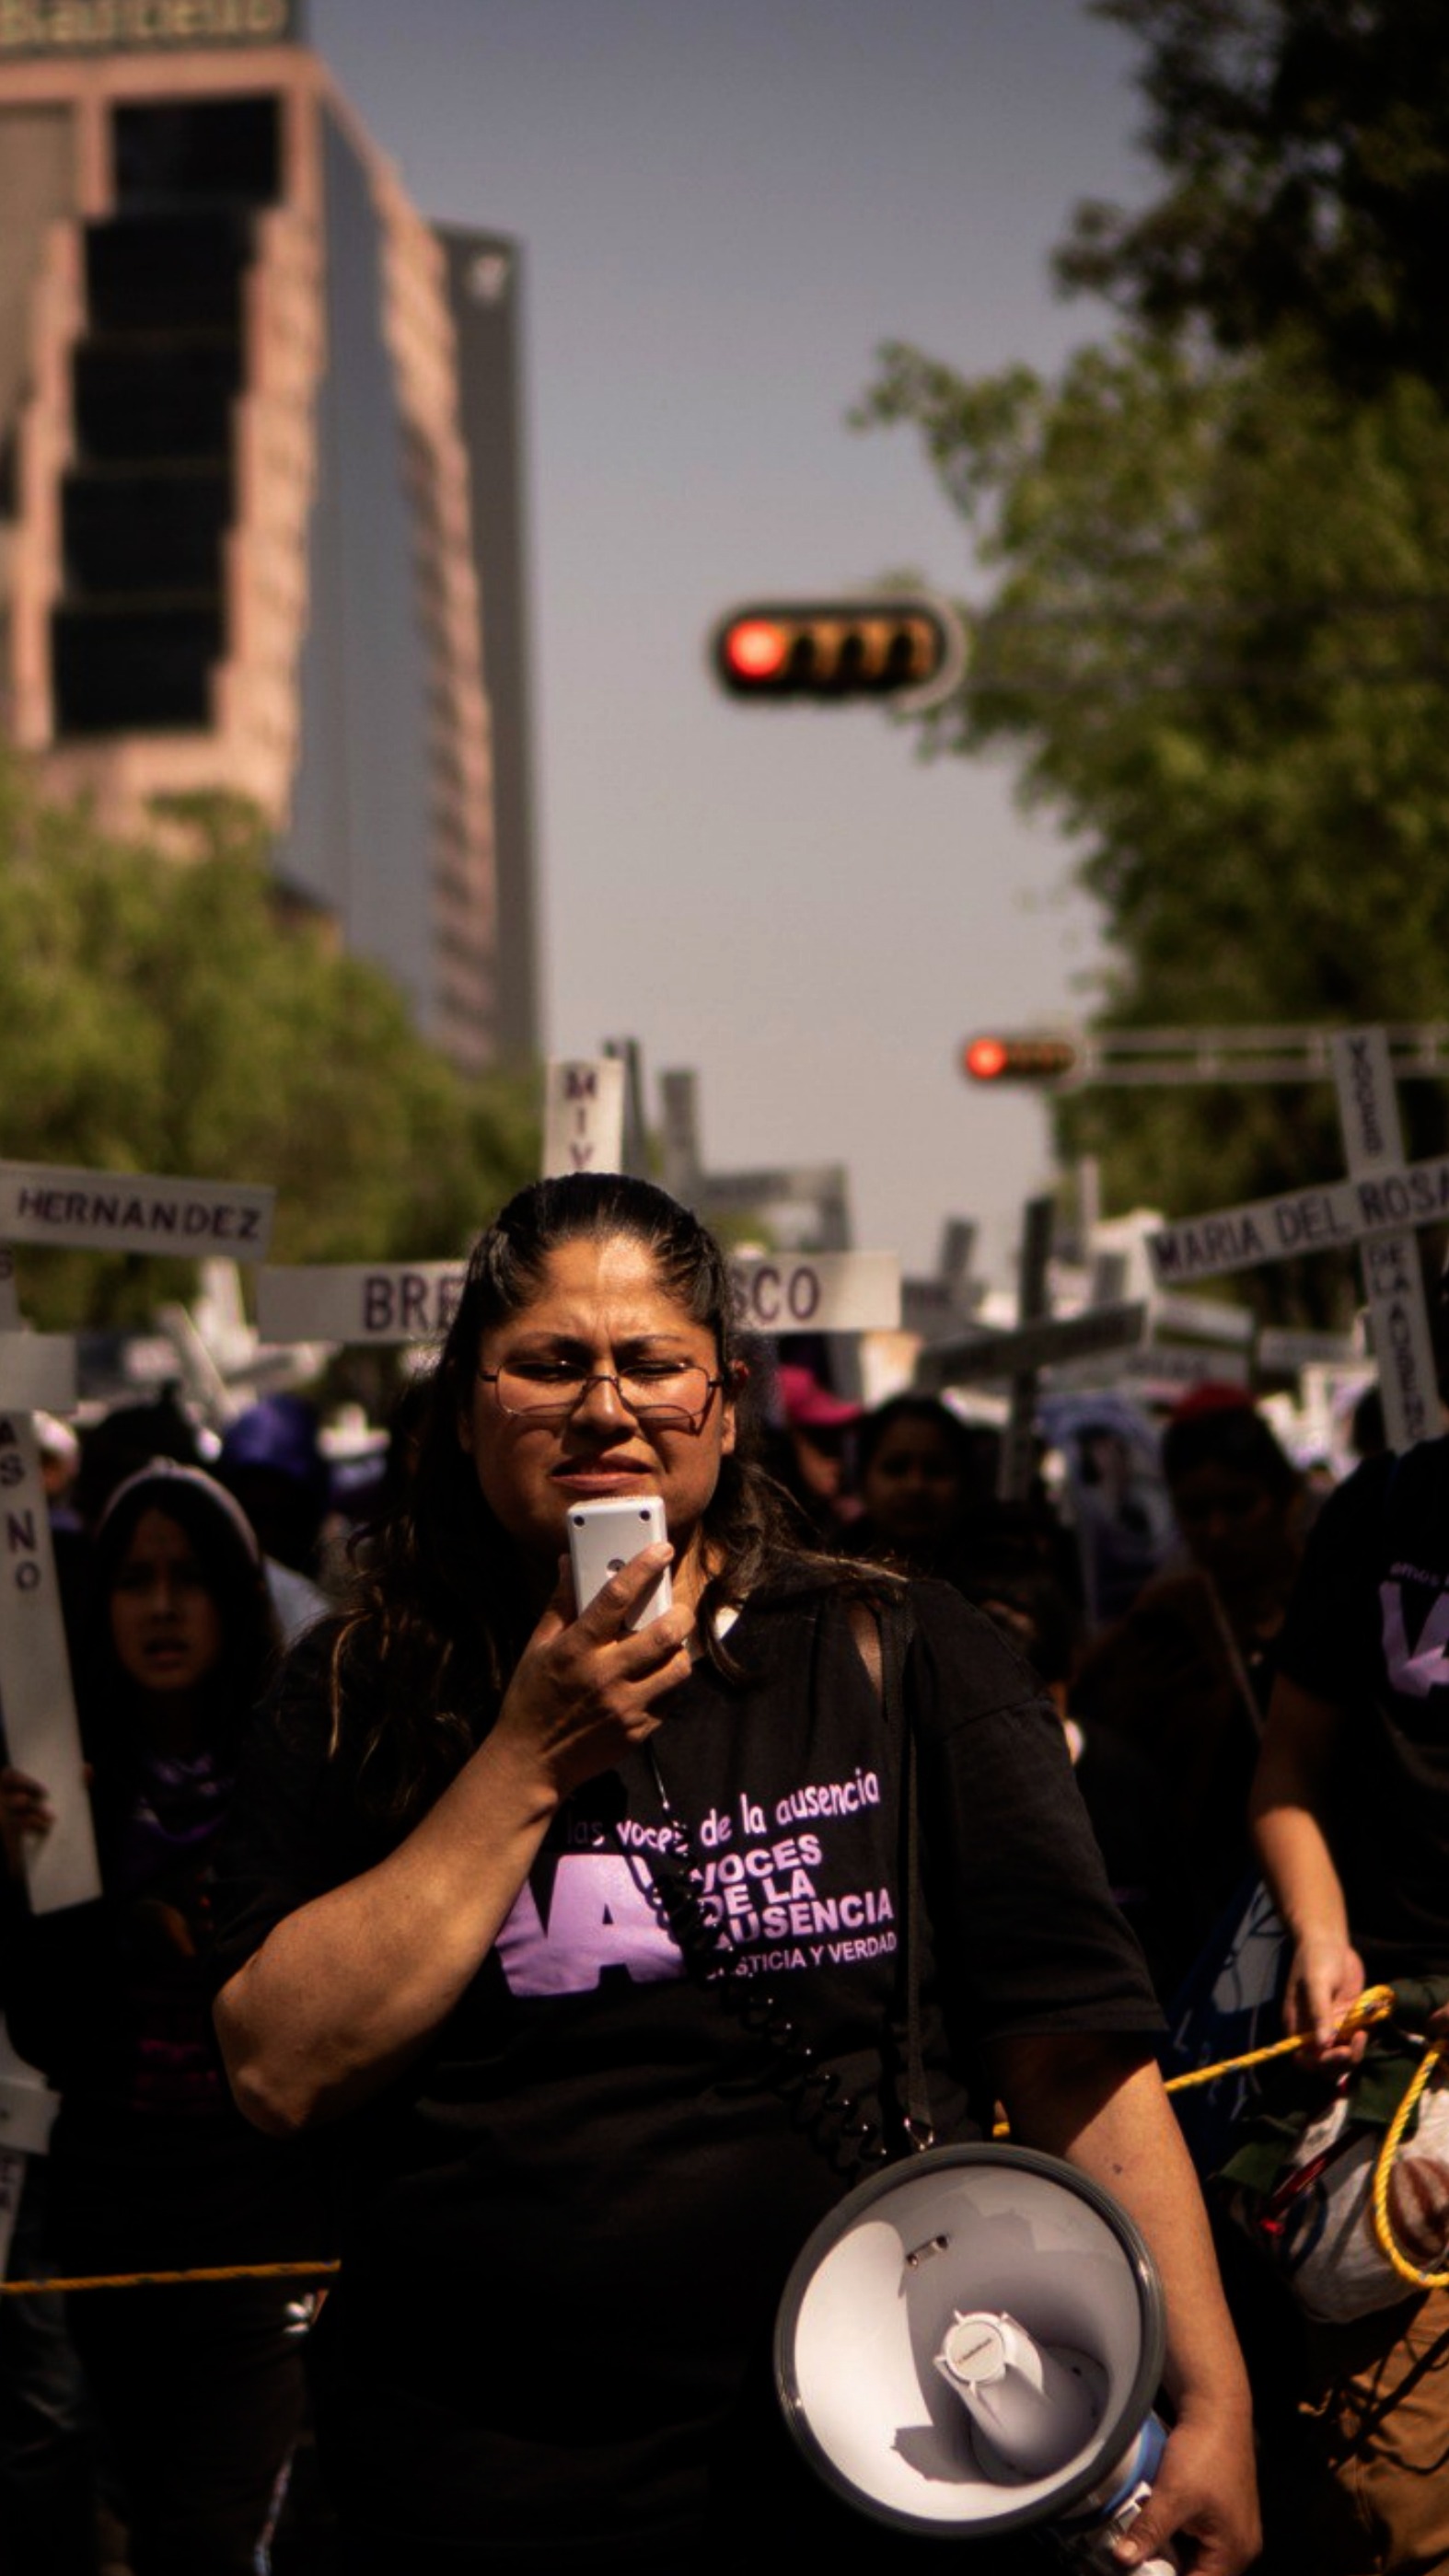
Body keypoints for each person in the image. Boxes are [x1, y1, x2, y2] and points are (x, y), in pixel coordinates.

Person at [210, 1174, 1258, 2576]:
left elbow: (1075, 2055)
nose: (603, 1408)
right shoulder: (354, 1693)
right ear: (466, 1407)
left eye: (651, 1363)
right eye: (548, 1365)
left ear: (725, 1402)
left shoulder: (902, 1654)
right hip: (473, 2496)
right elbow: (277, 2065)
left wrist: (1212, 2399)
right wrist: (524, 1757)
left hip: (875, 2487)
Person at [1, 1461, 308, 2576]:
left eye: (190, 1578)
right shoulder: (61, 1788)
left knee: (215, 2535)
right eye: (135, 1580)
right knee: (145, 2516)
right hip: (111, 2218)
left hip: (259, 2221)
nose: (164, 1607)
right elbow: (49, 2032)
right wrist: (28, 1882)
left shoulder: (292, 1768)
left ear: (237, 1594)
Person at [1250, 1422, 1449, 2573]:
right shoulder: (1381, 1513)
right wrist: (1318, 1937)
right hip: (1393, 2077)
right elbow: (1286, 1772)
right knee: (1402, 2504)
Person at [1076, 1391, 1306, 1997]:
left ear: (1286, 1496)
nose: (1218, 1530)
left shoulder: (1334, 1607)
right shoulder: (1156, 1632)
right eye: (1196, 1511)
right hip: (1205, 1918)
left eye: (1239, 1504)